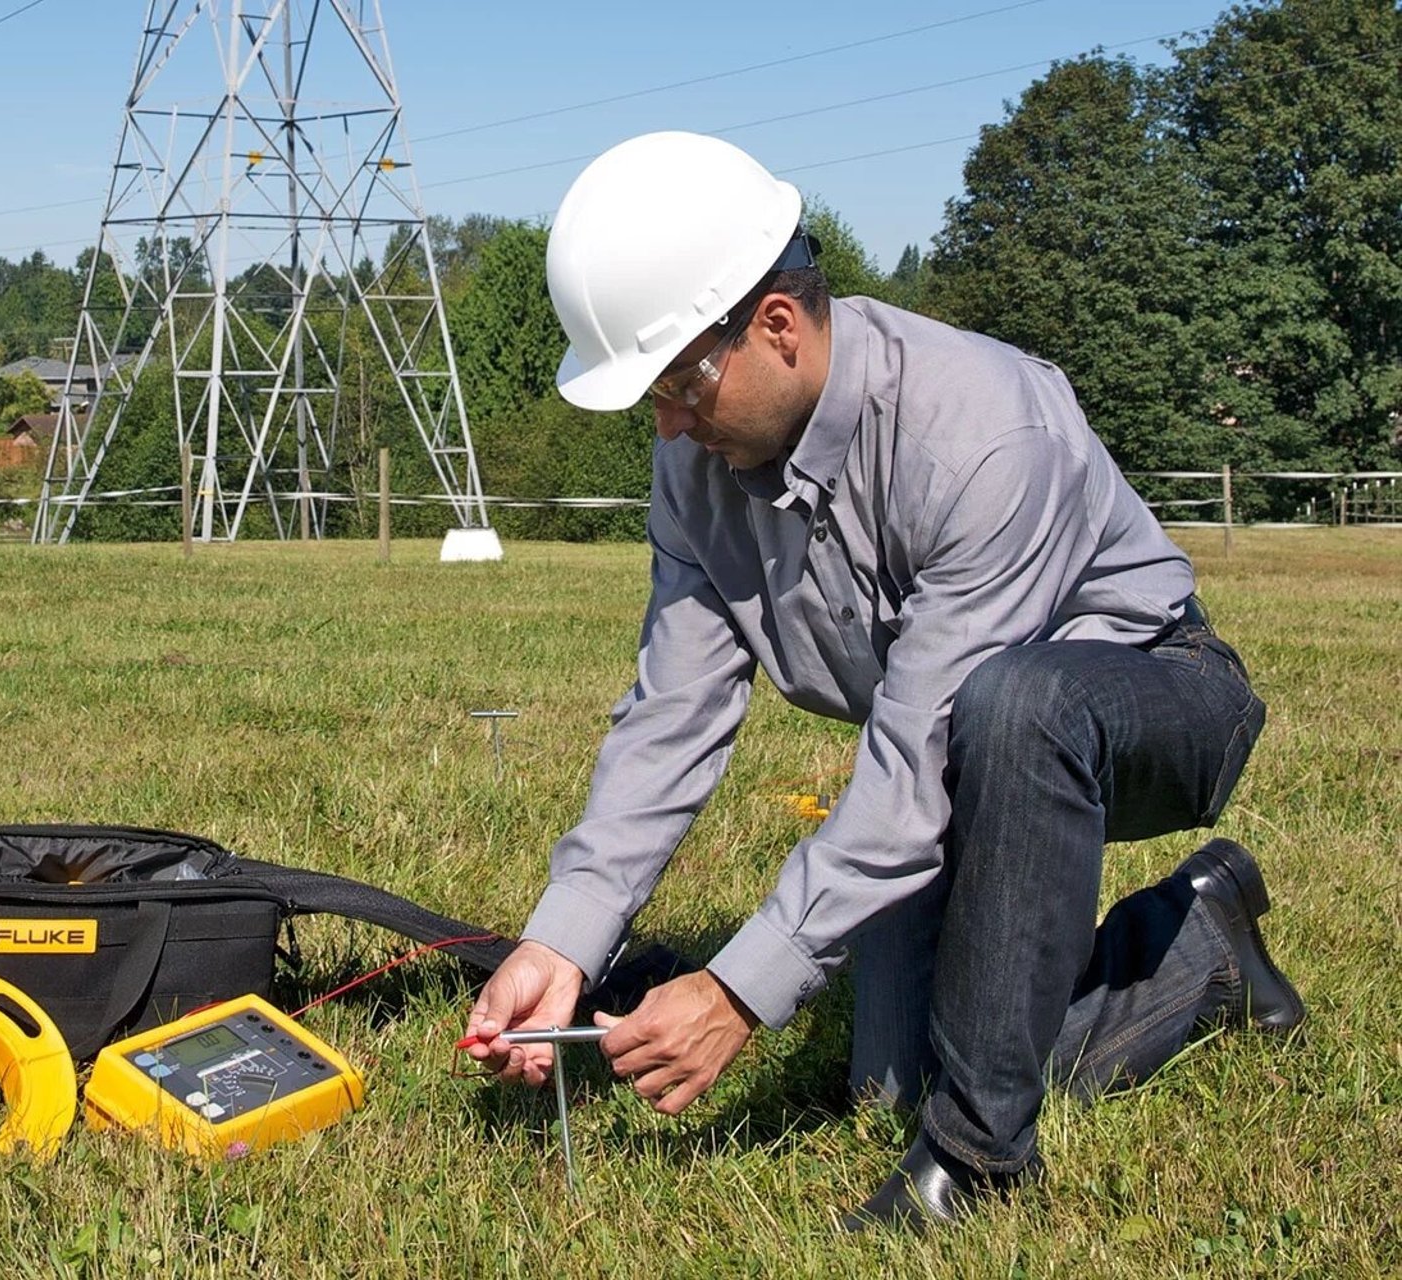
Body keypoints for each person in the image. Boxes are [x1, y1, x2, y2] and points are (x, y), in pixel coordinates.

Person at [460, 131, 1305, 1231]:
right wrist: (562, 939)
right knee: (891, 1083)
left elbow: (919, 753)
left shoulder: (985, 431)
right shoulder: (693, 467)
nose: (664, 424)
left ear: (777, 325)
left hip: (1149, 695)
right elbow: (673, 713)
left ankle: (978, 1158)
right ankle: (1201, 943)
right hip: (960, 746)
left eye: (675, 382)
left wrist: (736, 991)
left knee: (1018, 709)